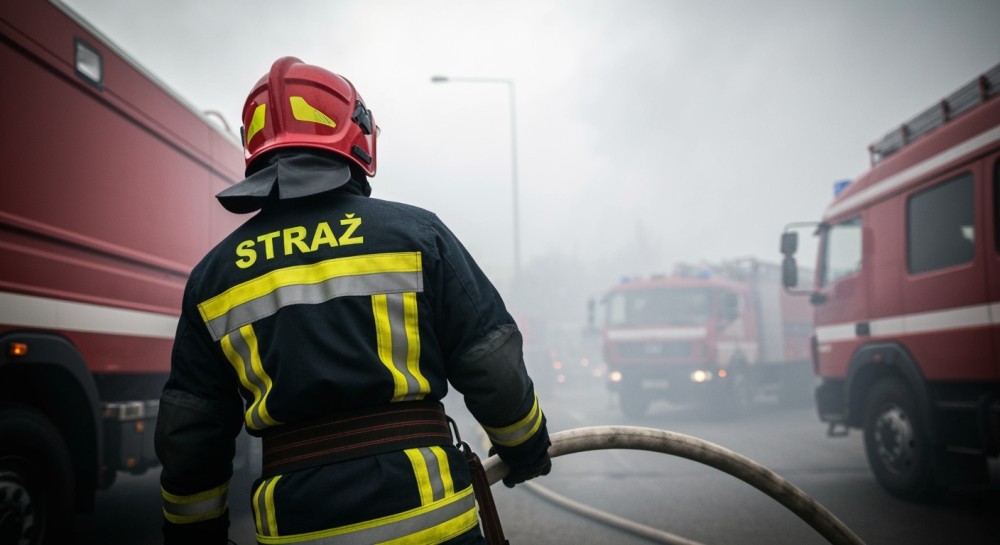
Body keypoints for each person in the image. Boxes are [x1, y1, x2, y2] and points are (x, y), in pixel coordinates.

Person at [153, 56, 551, 545]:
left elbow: (191, 430)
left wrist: (193, 533)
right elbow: (489, 360)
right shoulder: (417, 234)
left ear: (252, 146)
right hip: (431, 519)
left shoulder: (213, 277)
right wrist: (524, 446)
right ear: (358, 134)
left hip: (297, 528)